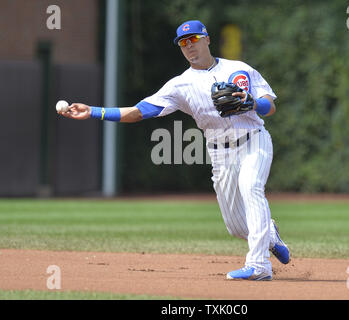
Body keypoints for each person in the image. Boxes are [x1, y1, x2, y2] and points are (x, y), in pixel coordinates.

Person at [58, 20, 290, 281]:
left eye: (193, 39)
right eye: (183, 43)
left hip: (254, 140)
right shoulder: (180, 85)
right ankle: (268, 233)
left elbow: (269, 105)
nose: (189, 46)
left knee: (251, 188)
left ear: (207, 39)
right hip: (219, 153)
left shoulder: (239, 69)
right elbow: (137, 113)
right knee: (236, 226)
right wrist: (93, 112)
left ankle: (259, 266)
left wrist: (252, 103)